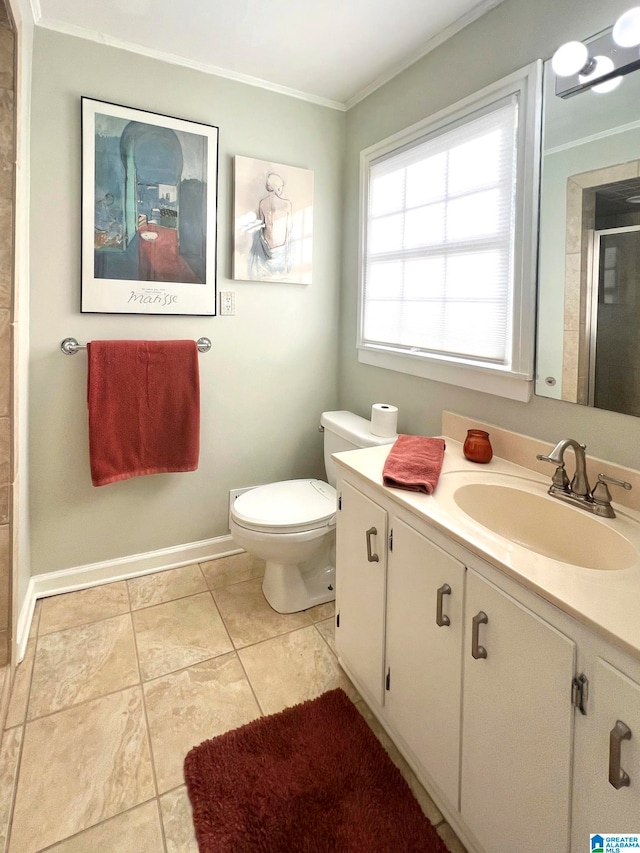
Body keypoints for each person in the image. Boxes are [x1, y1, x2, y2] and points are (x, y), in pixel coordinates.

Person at [248, 173, 293, 279]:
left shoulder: (262, 203)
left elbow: (261, 224)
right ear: (278, 188)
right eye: (281, 187)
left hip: (267, 244)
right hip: (281, 245)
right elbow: (289, 227)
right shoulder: (287, 204)